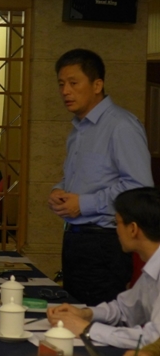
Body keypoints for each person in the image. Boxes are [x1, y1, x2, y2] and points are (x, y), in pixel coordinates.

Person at [48, 48, 154, 306]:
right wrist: (59, 191)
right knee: (75, 314)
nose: (65, 91)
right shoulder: (78, 129)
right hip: (75, 238)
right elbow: (79, 178)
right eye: (61, 84)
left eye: (73, 83)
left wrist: (83, 204)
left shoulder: (121, 125)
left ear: (97, 85)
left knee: (96, 319)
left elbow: (139, 188)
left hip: (104, 242)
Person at [47, 187, 160, 349]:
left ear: (133, 229)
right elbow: (124, 310)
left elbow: (154, 339)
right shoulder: (152, 267)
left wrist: (87, 329)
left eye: (116, 223)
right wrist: (86, 314)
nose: (116, 231)